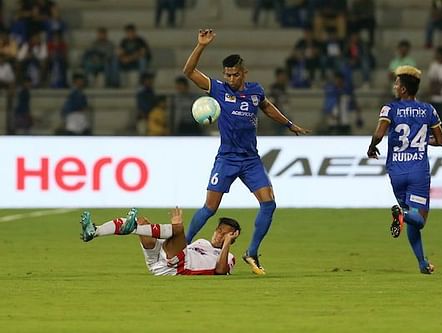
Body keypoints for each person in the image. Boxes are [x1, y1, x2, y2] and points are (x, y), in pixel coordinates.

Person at [182, 28, 310, 275]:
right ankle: (183, 244)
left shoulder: (255, 90)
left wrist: (289, 125)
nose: (231, 79)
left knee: (269, 204)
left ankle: (252, 252)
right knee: (210, 208)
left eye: (235, 74)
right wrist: (201, 46)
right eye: (228, 75)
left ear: (244, 72)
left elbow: (267, 107)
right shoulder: (218, 89)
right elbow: (188, 72)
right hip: (227, 159)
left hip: (251, 160)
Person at [367, 65, 442, 274]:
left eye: (397, 83)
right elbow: (440, 141)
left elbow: (379, 133)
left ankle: (422, 263)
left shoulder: (389, 109)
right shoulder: (429, 110)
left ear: (402, 89)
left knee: (410, 217)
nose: (395, 86)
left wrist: (371, 146)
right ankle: (400, 214)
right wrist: (419, 142)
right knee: (417, 220)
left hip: (396, 171)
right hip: (418, 170)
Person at [80, 207, 240, 276]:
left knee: (177, 229)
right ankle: (95, 231)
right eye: (218, 230)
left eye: (224, 234)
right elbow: (179, 247)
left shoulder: (229, 257)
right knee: (142, 223)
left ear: (232, 236)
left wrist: (227, 243)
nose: (219, 235)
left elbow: (220, 271)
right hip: (161, 261)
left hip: (179, 268)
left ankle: (133, 228)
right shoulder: (202, 242)